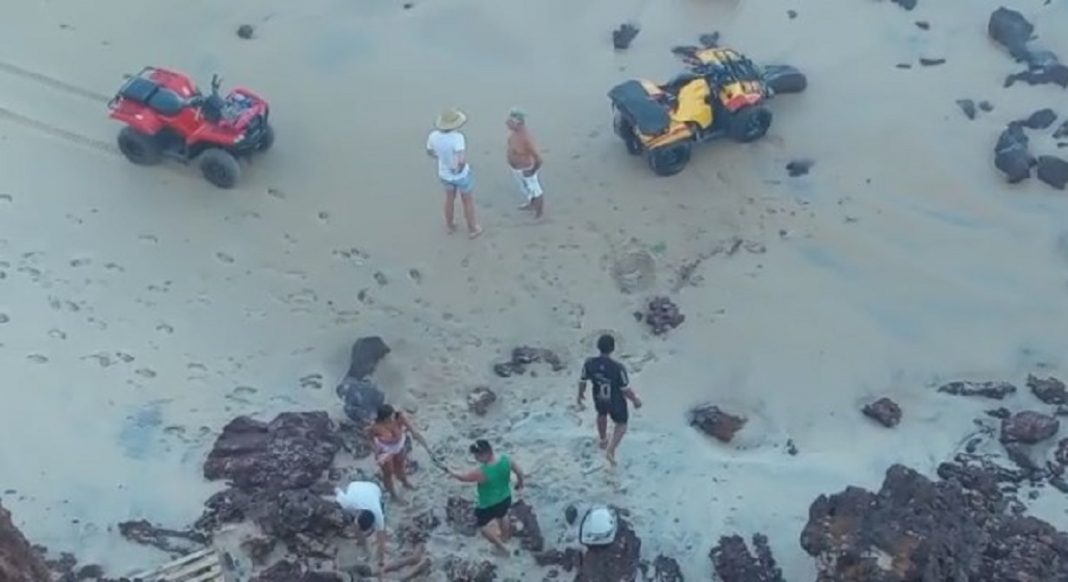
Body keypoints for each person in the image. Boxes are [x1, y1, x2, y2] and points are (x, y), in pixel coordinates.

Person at [446, 439, 525, 555]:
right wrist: (520, 483)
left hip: (488, 505)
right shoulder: (506, 459)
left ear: (485, 454)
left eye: (477, 456)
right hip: (506, 498)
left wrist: (450, 471)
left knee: (483, 527)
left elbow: (463, 478)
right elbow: (520, 472)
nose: (476, 458)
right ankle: (505, 538)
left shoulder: (481, 472)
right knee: (503, 516)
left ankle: (501, 546)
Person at [577, 334, 642, 466]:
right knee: (622, 424)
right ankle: (610, 450)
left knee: (601, 414)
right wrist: (635, 400)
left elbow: (582, 380)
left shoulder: (589, 363)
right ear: (612, 349)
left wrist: (580, 394)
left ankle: (602, 439)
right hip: (615, 400)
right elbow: (625, 389)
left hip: (599, 397)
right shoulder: (618, 368)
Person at [426, 108, 482, 238]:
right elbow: (461, 159)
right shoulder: (457, 137)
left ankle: (450, 224)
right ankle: (472, 228)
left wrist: (441, 157)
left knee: (449, 198)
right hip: (460, 174)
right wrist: (458, 169)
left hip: (444, 173)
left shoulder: (433, 136)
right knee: (467, 200)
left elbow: (430, 152)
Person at [369, 404, 428, 502]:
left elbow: (413, 431)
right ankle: (393, 495)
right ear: (383, 419)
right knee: (388, 473)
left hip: (399, 446)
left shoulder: (400, 417)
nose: (392, 419)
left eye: (392, 416)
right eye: (389, 418)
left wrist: (423, 442)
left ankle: (405, 482)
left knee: (400, 466)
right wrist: (375, 450)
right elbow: (369, 438)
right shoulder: (375, 427)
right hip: (385, 450)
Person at [335, 480, 389, 572]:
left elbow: (381, 539)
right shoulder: (347, 503)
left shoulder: (378, 514)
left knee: (381, 527)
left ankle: (364, 545)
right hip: (354, 485)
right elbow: (337, 490)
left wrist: (381, 562)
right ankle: (363, 545)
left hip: (374, 488)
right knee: (353, 524)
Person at [505, 108, 545, 218]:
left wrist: (532, 171)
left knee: (535, 189)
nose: (507, 123)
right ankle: (531, 203)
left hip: (526, 169)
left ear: (518, 123)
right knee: (525, 188)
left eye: (511, 122)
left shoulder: (526, 139)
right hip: (516, 169)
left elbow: (539, 158)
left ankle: (539, 212)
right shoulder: (513, 134)